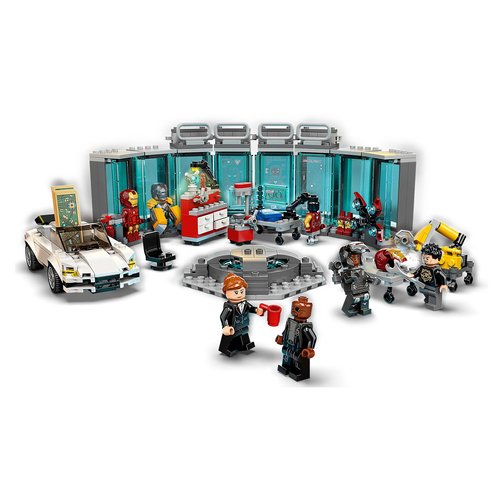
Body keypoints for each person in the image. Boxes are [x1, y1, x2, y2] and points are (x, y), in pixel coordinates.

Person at [218, 273, 264, 357]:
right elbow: (223, 317)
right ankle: (225, 348)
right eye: (236, 292)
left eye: (242, 291)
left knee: (244, 332)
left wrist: (256, 310)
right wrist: (225, 326)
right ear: (226, 293)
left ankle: (244, 344)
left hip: (243, 324)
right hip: (233, 327)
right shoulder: (229, 307)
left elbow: (250, 308)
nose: (239, 294)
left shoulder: (245, 303)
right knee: (230, 336)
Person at [408, 243, 448, 310]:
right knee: (426, 293)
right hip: (423, 285)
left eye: (427, 258)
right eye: (424, 258)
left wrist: (443, 285)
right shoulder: (422, 267)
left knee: (434, 296)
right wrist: (413, 274)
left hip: (433, 287)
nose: (425, 259)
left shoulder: (436, 270)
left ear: (437, 258)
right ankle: (428, 299)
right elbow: (418, 272)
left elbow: (443, 277)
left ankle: (434, 304)